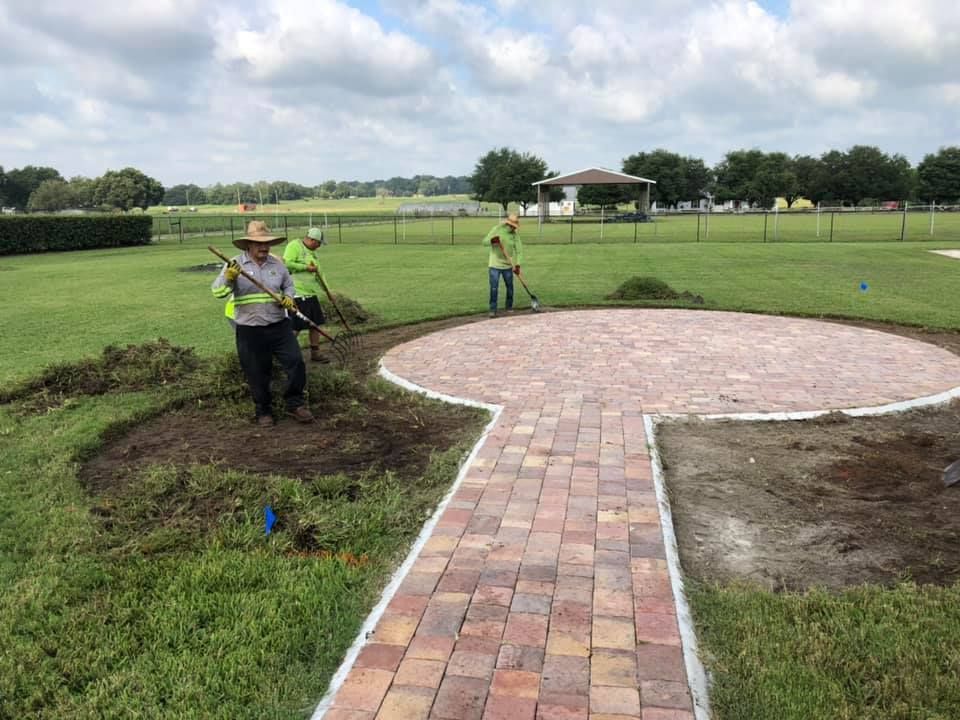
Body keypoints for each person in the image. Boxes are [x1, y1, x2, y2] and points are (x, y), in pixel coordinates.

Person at [211, 220, 315, 427]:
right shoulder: (234, 265)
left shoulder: (277, 264)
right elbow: (218, 292)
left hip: (279, 325)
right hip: (250, 329)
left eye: (267, 243)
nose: (264, 247)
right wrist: (229, 279)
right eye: (259, 244)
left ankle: (295, 403)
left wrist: (288, 298)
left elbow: (289, 285)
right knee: (257, 371)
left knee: (295, 362)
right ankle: (263, 410)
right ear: (248, 244)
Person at [282, 227, 328, 362]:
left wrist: (328, 291)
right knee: (296, 327)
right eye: (318, 243)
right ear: (312, 240)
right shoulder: (294, 246)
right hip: (297, 293)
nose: (319, 246)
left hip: (310, 293)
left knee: (315, 324)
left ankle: (315, 353)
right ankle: (285, 355)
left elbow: (319, 273)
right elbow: (286, 264)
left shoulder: (313, 254)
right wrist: (306, 267)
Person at [482, 213, 522, 317]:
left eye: (515, 226)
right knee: (494, 287)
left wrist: (517, 265)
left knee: (510, 287)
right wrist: (492, 241)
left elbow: (519, 251)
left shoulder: (515, 235)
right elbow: (484, 242)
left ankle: (509, 307)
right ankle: (493, 309)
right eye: (512, 226)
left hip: (508, 265)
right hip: (494, 264)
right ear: (508, 224)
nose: (513, 228)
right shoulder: (497, 229)